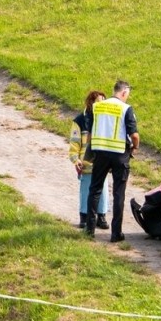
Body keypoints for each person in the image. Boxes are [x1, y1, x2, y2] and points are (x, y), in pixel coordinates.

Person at [85, 80, 139, 241]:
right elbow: (134, 135)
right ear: (123, 92)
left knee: (95, 190)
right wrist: (135, 147)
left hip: (100, 153)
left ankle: (89, 230)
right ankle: (116, 234)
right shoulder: (125, 109)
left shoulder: (97, 106)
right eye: (127, 94)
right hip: (120, 154)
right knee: (118, 193)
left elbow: (89, 133)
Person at [70, 91, 110, 230]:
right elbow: (74, 143)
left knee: (103, 189)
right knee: (86, 189)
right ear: (91, 102)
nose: (101, 104)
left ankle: (101, 215)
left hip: (101, 161)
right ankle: (84, 216)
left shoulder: (106, 120)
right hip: (86, 163)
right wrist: (75, 160)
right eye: (99, 101)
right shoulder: (80, 121)